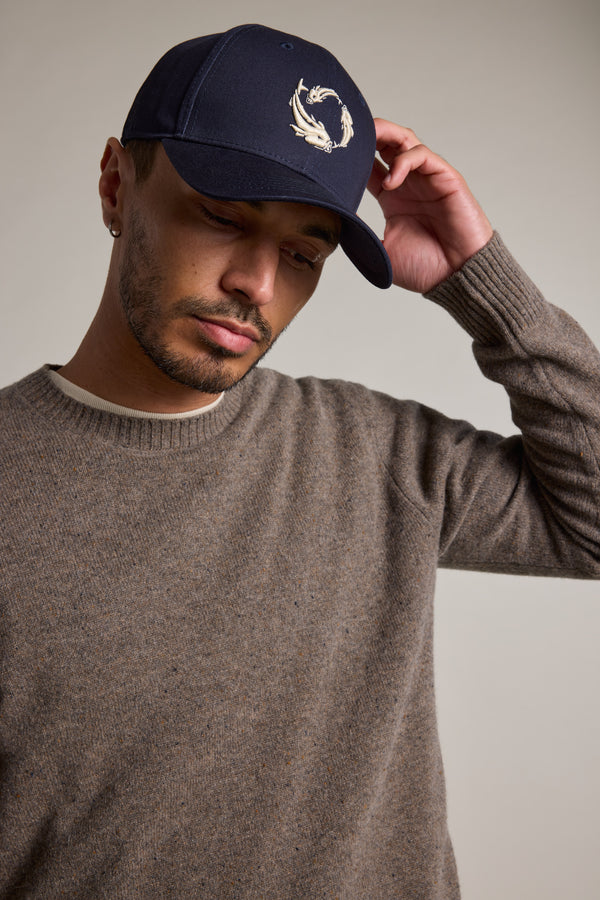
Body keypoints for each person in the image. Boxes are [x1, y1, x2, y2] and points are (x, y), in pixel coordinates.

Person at [0, 23, 598, 900]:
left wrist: (485, 282)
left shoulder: (376, 457)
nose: (258, 283)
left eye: (303, 253)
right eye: (221, 218)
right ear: (115, 186)